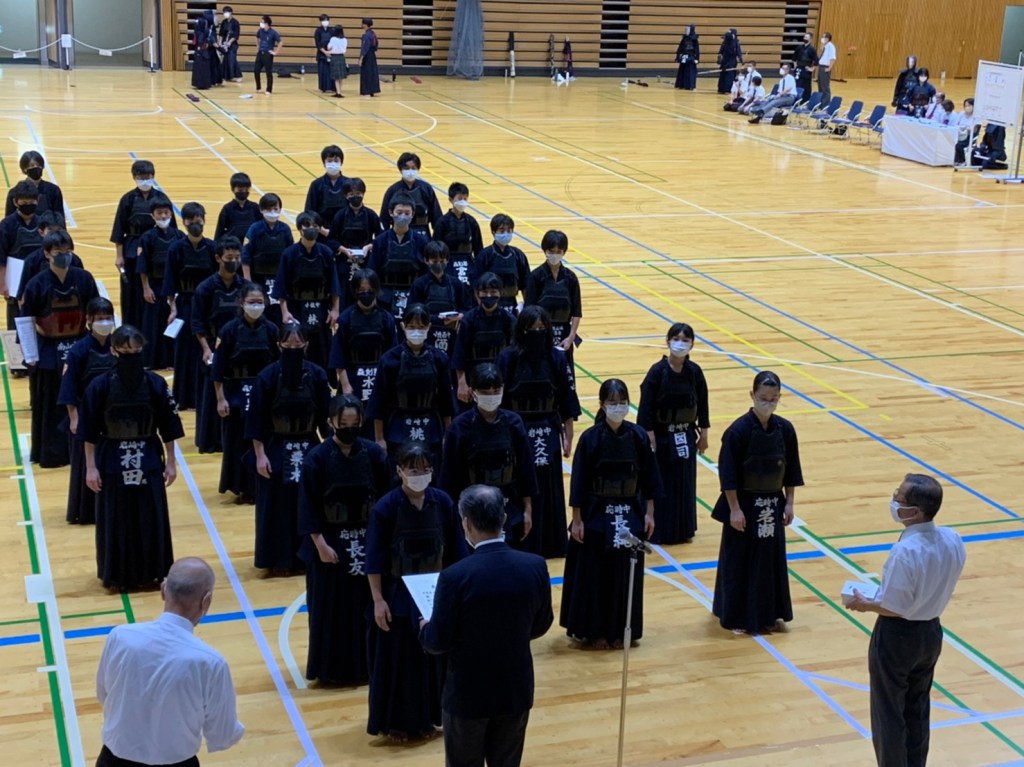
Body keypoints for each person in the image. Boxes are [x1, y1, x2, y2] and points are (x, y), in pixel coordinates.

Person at [420, 484, 553, 767]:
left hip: (468, 695)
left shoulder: (454, 577)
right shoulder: (535, 566)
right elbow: (542, 624)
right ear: (503, 519)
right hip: (515, 690)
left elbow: (437, 641)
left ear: (466, 523)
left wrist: (424, 628)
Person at [845, 475, 966, 767]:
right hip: (931, 632)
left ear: (915, 512)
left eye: (899, 498)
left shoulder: (906, 551)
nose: (894, 501)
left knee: (888, 712)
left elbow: (894, 607)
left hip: (898, 636)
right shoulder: (952, 539)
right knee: (917, 707)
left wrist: (865, 604)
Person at [95, 557, 245, 767]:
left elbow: (104, 694)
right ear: (206, 601)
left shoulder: (120, 637)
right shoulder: (211, 663)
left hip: (113, 762)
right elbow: (223, 735)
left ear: (163, 590)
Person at [365, 443, 469, 742]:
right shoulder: (385, 508)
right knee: (401, 661)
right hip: (398, 593)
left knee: (431, 659)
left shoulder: (443, 502)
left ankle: (428, 719)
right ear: (400, 471)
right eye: (414, 470)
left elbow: (456, 552)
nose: (420, 475)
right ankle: (396, 723)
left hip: (434, 591)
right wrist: (378, 600)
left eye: (426, 469)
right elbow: (374, 558)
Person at [81, 325, 184, 592]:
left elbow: (169, 426)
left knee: (151, 514)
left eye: (136, 352)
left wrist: (171, 462)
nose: (131, 356)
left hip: (147, 454)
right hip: (112, 457)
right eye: (125, 352)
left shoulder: (156, 384)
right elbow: (88, 432)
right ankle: (117, 574)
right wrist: (91, 468)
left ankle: (154, 571)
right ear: (114, 351)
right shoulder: (99, 386)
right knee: (116, 516)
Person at [561, 379, 661, 649]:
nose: (618, 407)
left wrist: (649, 513)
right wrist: (577, 520)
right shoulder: (591, 438)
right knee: (597, 576)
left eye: (622, 403)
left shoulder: (638, 436)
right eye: (612, 403)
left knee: (624, 575)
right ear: (602, 405)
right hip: (596, 514)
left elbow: (650, 479)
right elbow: (579, 482)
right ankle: (595, 631)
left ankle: (620, 629)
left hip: (630, 511)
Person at [298, 394, 390, 686]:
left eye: (354, 423)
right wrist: (320, 544)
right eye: (343, 423)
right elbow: (308, 506)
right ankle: (330, 670)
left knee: (365, 606)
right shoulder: (317, 458)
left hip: (367, 538)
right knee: (330, 610)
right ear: (331, 422)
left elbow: (386, 500)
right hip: (330, 543)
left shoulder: (374, 454)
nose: (349, 428)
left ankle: (368, 667)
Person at [711, 370, 804, 635]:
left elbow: (791, 469)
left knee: (770, 561)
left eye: (773, 399)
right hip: (745, 504)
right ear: (752, 395)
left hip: (772, 503)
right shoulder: (737, 431)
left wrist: (789, 503)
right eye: (763, 398)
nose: (768, 403)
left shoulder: (785, 429)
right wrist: (735, 509)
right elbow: (728, 475)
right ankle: (738, 614)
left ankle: (769, 613)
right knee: (740, 561)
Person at [246, 322, 330, 576]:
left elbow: (325, 417)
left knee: (309, 505)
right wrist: (260, 455)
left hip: (309, 446)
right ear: (279, 345)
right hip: (276, 448)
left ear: (306, 345)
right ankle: (278, 560)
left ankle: (308, 557)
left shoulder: (317, 375)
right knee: (276, 507)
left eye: (298, 343)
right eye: (288, 344)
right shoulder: (267, 377)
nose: (293, 347)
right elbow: (256, 420)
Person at [496, 306, 580, 558]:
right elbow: (499, 398)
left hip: (547, 426)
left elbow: (566, 397)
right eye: (531, 328)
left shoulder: (556, 358)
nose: (537, 332)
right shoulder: (508, 358)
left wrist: (568, 433)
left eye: (542, 328)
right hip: (517, 426)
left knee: (549, 483)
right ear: (521, 330)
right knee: (521, 482)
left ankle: (552, 542)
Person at [20, 229, 98, 468]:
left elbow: (96, 311)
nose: (64, 256)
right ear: (46, 254)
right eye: (58, 252)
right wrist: (30, 354)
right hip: (49, 347)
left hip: (79, 344)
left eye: (67, 252)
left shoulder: (84, 279)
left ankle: (85, 450)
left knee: (83, 398)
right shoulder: (36, 284)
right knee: (50, 402)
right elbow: (26, 321)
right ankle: (53, 454)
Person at [440, 363, 539, 547]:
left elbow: (526, 470)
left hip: (508, 501)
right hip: (472, 504)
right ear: (473, 392)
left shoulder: (514, 422)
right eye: (485, 392)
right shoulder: (459, 428)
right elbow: (449, 478)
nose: (492, 396)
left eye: (496, 390)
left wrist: (528, 509)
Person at [638, 323, 709, 544]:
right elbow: (646, 406)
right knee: (662, 481)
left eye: (685, 340)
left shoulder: (694, 372)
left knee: (684, 482)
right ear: (668, 341)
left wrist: (704, 434)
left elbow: (703, 404)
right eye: (676, 339)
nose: (680, 344)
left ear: (692, 344)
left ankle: (683, 529)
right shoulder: (657, 372)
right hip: (662, 437)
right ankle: (659, 529)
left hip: (685, 435)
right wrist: (648, 434)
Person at [212, 283, 278, 505]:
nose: (256, 306)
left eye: (260, 302)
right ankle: (241, 487)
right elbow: (218, 369)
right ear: (241, 303)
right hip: (235, 392)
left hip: (264, 391)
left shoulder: (272, 330)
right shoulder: (229, 330)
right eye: (252, 302)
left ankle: (262, 485)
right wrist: (221, 399)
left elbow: (278, 365)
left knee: (263, 439)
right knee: (237, 442)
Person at [367, 303, 455, 467]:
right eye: (412, 327)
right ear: (403, 326)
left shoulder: (439, 358)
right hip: (398, 425)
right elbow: (378, 402)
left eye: (421, 327)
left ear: (429, 327)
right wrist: (379, 439)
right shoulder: (389, 360)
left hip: (431, 424)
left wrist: (447, 435)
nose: (416, 331)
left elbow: (446, 401)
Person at [58, 297, 116, 524]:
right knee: (86, 464)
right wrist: (74, 417)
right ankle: (85, 510)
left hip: (111, 415)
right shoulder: (78, 351)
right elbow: (69, 386)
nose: (104, 322)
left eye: (108, 318)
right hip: (85, 413)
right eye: (100, 318)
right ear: (89, 320)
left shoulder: (118, 346)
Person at [191, 235, 249, 455]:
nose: (233, 261)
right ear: (218, 258)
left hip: (240, 347)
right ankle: (211, 440)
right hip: (212, 346)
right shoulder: (205, 288)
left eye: (236, 257)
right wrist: (206, 348)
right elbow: (197, 322)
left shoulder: (245, 287)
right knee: (211, 393)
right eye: (229, 258)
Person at [162, 203, 217, 411]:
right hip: (185, 303)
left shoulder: (212, 247)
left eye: (198, 220)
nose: (195, 224)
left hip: (207, 304)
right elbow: (170, 281)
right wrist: (173, 308)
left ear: (204, 220)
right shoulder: (176, 248)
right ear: (184, 222)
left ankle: (202, 396)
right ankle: (183, 398)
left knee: (204, 349)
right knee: (184, 350)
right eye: (190, 221)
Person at [110, 159, 175, 330]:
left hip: (156, 249)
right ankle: (130, 329)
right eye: (141, 177)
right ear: (134, 177)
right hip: (132, 249)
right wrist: (119, 256)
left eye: (148, 176)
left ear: (153, 176)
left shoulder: (161, 198)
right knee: (131, 294)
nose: (145, 180)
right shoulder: (128, 199)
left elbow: (172, 228)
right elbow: (119, 228)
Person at [274, 211, 341, 370]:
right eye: (307, 225)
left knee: (322, 350)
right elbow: (281, 287)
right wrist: (285, 312)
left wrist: (335, 310)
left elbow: (334, 284)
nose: (311, 228)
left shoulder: (326, 252)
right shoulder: (289, 254)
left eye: (315, 225)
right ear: (299, 228)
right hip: (296, 308)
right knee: (298, 346)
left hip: (321, 308)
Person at [329, 269, 397, 420]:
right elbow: (338, 356)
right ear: (355, 291)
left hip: (379, 375)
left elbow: (393, 355)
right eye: (362, 290)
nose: (366, 293)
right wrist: (345, 385)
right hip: (353, 376)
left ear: (377, 290)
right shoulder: (345, 318)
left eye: (370, 290)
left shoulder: (387, 318)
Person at [452, 271, 516, 404]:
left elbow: (513, 353)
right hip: (474, 375)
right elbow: (460, 353)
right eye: (484, 292)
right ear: (477, 294)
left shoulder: (509, 319)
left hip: (501, 374)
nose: (488, 295)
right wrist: (462, 383)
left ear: (501, 293)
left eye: (493, 292)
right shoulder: (468, 319)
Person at [136, 197, 183, 370]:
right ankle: (151, 361)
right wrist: (146, 288)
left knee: (173, 323)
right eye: (159, 213)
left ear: (171, 214)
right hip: (155, 286)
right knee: (153, 324)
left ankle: (172, 360)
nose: (163, 216)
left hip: (174, 287)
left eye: (166, 213)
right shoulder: (147, 238)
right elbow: (143, 266)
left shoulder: (179, 236)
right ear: (152, 215)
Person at [366, 194, 430, 318]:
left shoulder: (421, 241)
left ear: (413, 214)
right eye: (399, 212)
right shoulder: (380, 240)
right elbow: (372, 271)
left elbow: (426, 272)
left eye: (407, 213)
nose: (403, 216)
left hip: (413, 294)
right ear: (391, 212)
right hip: (385, 295)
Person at [524, 229, 581, 362]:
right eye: (551, 251)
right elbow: (529, 309)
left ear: (564, 252)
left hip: (564, 335)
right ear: (545, 250)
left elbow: (577, 312)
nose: (554, 255)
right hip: (541, 333)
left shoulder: (571, 278)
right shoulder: (535, 276)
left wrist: (571, 337)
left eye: (558, 251)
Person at [409, 240, 473, 356]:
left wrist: (459, 316)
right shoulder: (419, 284)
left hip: (452, 334)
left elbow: (467, 308)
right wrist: (435, 319)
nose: (438, 264)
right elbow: (412, 312)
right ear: (426, 260)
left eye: (442, 261)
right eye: (434, 261)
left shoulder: (456, 283)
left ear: (447, 260)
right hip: (427, 334)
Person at [242, 192, 294, 326]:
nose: (272, 212)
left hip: (279, 277)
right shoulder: (254, 229)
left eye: (275, 209)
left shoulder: (285, 229)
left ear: (280, 209)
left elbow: (291, 256)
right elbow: (245, 256)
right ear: (261, 210)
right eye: (268, 209)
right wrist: (248, 282)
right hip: (258, 278)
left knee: (279, 313)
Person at [0, 180, 43, 335]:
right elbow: (1, 257)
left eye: (31, 202)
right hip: (15, 282)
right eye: (24, 203)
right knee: (16, 328)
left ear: (37, 201)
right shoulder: (6, 225)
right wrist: (3, 283)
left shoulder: (42, 223)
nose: (28, 206)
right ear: (15, 202)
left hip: (38, 280)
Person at [328, 178, 381, 302]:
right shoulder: (340, 215)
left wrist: (369, 247)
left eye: (358, 193)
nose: (355, 197)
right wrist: (344, 250)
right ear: (346, 196)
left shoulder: (371, 215)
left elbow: (380, 238)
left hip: (366, 260)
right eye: (351, 194)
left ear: (363, 194)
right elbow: (331, 240)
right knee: (344, 292)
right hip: (344, 260)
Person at [474, 214, 530, 314]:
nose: (506, 234)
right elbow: (476, 286)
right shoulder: (484, 255)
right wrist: (483, 308)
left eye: (509, 231)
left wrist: (527, 309)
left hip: (512, 305)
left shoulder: (518, 255)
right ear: (493, 232)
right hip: (491, 305)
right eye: (502, 230)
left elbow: (526, 285)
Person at [379, 152, 443, 236]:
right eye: (406, 168)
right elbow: (384, 219)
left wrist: (437, 240)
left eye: (413, 168)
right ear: (401, 169)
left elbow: (437, 217)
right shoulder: (392, 190)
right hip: (398, 234)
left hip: (422, 234)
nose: (410, 171)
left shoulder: (426, 189)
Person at [432, 182, 483, 285]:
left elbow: (478, 248)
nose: (462, 202)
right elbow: (436, 246)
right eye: (459, 198)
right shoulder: (442, 222)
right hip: (449, 263)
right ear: (451, 199)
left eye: (465, 199)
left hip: (468, 262)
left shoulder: (471, 222)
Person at [304, 146, 349, 236]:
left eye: (336, 161)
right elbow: (309, 211)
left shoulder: (349, 184)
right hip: (321, 232)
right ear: (324, 163)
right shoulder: (316, 185)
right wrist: (322, 230)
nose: (333, 163)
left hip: (344, 233)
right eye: (329, 161)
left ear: (341, 162)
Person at [5, 150, 65, 217]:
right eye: (32, 165)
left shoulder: (54, 190)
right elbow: (9, 218)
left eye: (39, 165)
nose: (36, 167)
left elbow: (59, 217)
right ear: (25, 168)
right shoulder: (14, 192)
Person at [214, 172, 261, 242]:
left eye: (246, 189)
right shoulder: (227, 208)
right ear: (233, 189)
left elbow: (261, 227)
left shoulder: (255, 208)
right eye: (240, 190)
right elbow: (219, 231)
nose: (244, 192)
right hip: (233, 246)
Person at [191, 9, 220, 90]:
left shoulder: (200, 31)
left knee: (201, 68)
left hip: (199, 52)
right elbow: (203, 42)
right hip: (203, 53)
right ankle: (205, 83)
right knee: (204, 68)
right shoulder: (204, 32)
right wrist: (208, 42)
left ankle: (202, 83)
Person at [254, 15, 282, 96]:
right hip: (260, 53)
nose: (261, 23)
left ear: (267, 24)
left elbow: (280, 42)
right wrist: (258, 45)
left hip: (268, 54)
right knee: (256, 70)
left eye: (262, 22)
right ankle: (258, 87)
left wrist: (275, 52)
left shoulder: (273, 32)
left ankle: (269, 89)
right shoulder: (260, 30)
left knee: (268, 72)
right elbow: (257, 37)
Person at [218, 5, 242, 82]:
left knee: (232, 59)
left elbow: (236, 35)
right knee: (225, 60)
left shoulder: (235, 23)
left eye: (226, 12)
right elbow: (221, 34)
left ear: (231, 13)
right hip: (224, 44)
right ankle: (226, 76)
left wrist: (229, 42)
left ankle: (237, 76)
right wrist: (220, 44)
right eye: (224, 12)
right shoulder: (224, 22)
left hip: (232, 44)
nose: (225, 14)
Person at [358, 18, 381, 97]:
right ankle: (372, 90)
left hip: (367, 56)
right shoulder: (373, 33)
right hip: (372, 55)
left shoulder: (366, 35)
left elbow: (365, 48)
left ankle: (366, 91)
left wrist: (361, 58)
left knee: (366, 73)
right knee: (372, 73)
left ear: (365, 24)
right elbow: (376, 44)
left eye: (362, 23)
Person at [674, 25, 700, 91]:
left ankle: (691, 86)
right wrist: (677, 57)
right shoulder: (684, 38)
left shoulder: (694, 39)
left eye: (688, 29)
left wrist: (697, 58)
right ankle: (681, 84)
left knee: (691, 72)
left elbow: (697, 50)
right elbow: (680, 48)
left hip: (691, 57)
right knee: (682, 71)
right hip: (684, 57)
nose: (686, 31)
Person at [716, 29, 742, 95]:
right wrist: (719, 59)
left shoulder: (735, 43)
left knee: (729, 76)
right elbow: (720, 52)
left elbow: (738, 52)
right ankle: (721, 89)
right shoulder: (724, 43)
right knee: (723, 75)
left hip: (731, 62)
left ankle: (727, 89)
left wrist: (740, 59)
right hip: (724, 62)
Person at [954, 98, 979, 166]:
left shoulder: (976, 117)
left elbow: (975, 130)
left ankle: (962, 161)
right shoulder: (961, 114)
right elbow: (956, 124)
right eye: (965, 106)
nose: (967, 107)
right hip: (959, 133)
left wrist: (967, 129)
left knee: (958, 145)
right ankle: (955, 159)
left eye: (969, 106)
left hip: (969, 136)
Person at [327, 25, 349, 97]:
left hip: (335, 57)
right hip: (342, 57)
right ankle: (340, 91)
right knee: (341, 77)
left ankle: (338, 92)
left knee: (336, 77)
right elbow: (345, 48)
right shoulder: (345, 39)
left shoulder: (333, 39)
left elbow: (329, 47)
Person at [793, 33, 817, 101]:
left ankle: (805, 100)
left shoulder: (812, 49)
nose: (805, 38)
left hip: (806, 69)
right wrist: (795, 66)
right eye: (804, 37)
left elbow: (816, 60)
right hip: (798, 68)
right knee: (797, 83)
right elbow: (794, 58)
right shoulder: (799, 48)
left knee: (806, 85)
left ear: (810, 39)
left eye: (807, 37)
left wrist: (812, 69)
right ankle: (796, 99)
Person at [315, 14, 334, 94]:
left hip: (331, 53)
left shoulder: (331, 30)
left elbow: (334, 41)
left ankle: (332, 87)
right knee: (322, 71)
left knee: (331, 71)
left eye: (326, 20)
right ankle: (323, 87)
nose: (325, 22)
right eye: (323, 20)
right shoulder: (318, 31)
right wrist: (325, 52)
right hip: (321, 54)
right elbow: (318, 43)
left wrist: (330, 51)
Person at [817, 32, 836, 103]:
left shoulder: (831, 46)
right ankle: (821, 101)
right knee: (820, 85)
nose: (822, 38)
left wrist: (829, 68)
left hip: (825, 67)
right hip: (821, 67)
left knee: (824, 86)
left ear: (827, 39)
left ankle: (826, 103)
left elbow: (832, 58)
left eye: (823, 37)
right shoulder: (826, 46)